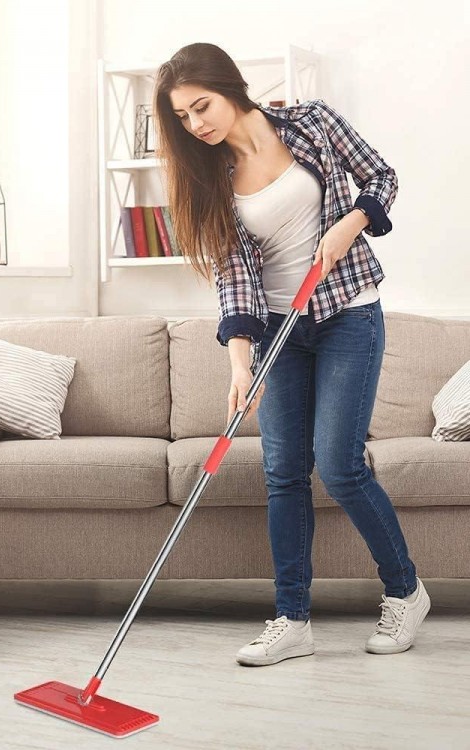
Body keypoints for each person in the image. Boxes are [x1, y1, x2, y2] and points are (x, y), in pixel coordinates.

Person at [153, 42, 431, 666]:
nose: (198, 124)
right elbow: (235, 274)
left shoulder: (313, 122)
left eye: (203, 106)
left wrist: (351, 221)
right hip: (280, 330)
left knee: (338, 464)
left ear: (231, 87)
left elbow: (381, 176)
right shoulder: (210, 180)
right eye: (185, 118)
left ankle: (406, 591)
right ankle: (292, 619)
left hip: (346, 313)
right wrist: (239, 361)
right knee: (282, 474)